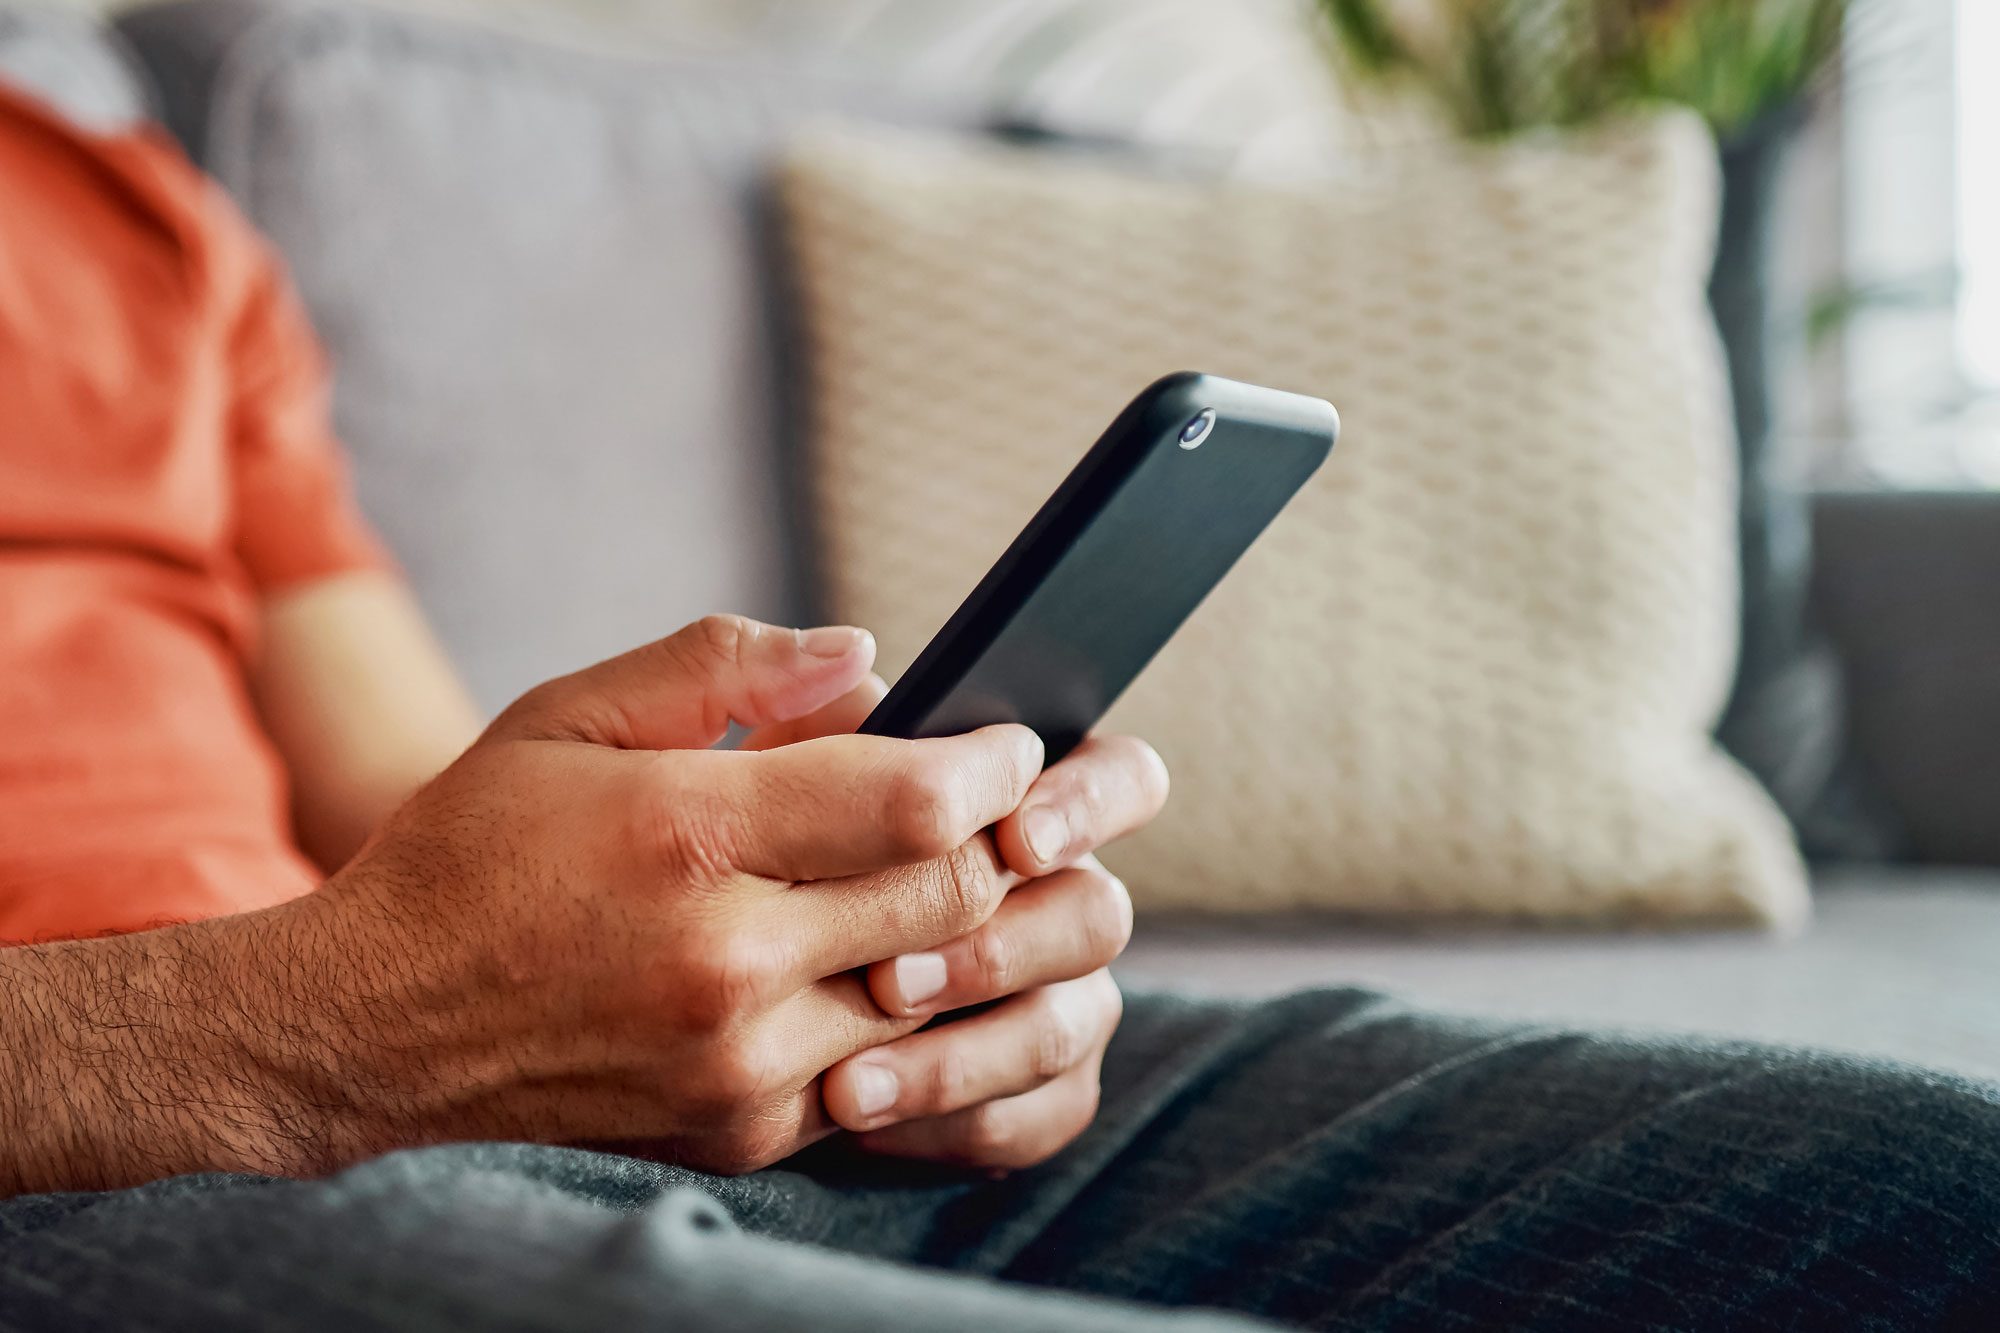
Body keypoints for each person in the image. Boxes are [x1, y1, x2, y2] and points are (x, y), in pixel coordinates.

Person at [0, 73, 1994, 1333]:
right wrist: (284, 1045)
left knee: (1922, 1196)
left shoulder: (140, 225)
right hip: (88, 1161)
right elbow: (346, 1004)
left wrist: (769, 923)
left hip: (500, 1096)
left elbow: (407, 813)